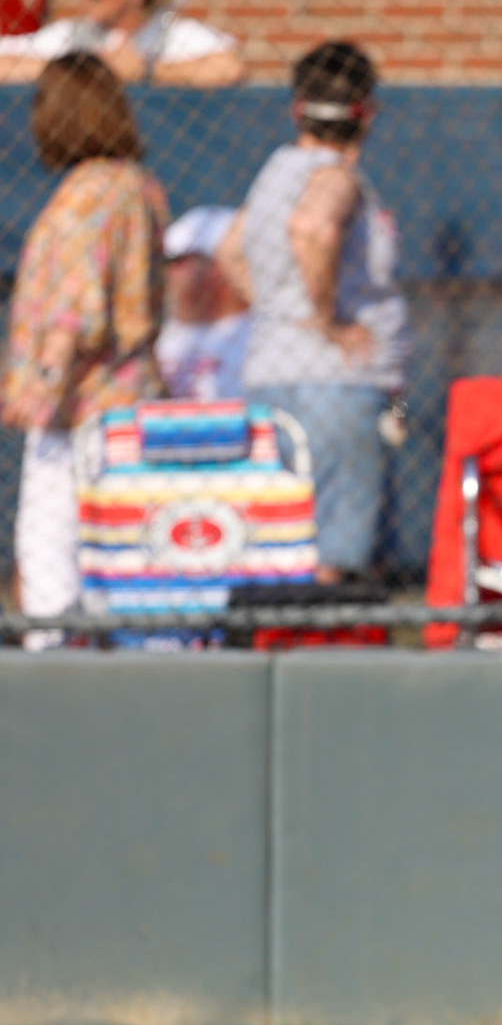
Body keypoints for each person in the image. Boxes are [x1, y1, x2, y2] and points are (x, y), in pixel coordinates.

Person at [217, 40, 409, 585]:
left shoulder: (275, 172)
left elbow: (230, 251)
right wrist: (325, 321)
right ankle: (319, 649)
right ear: (366, 112)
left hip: (273, 374)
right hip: (335, 385)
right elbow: (313, 228)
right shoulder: (335, 175)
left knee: (285, 535)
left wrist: (281, 310)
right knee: (334, 552)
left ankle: (286, 646)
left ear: (296, 109)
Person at [3, 52, 167, 646]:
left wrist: (42, 382)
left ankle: (54, 668)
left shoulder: (85, 197)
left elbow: (74, 308)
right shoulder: (137, 186)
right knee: (111, 548)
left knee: (48, 547)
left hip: (79, 404)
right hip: (131, 396)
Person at [0, 0, 241, 87]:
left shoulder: (175, 33)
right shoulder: (71, 34)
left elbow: (230, 68)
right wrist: (85, 69)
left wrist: (145, 71)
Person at [156, 205, 250, 401]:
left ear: (219, 267)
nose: (167, 273)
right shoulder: (159, 338)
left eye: (178, 261)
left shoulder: (257, 337)